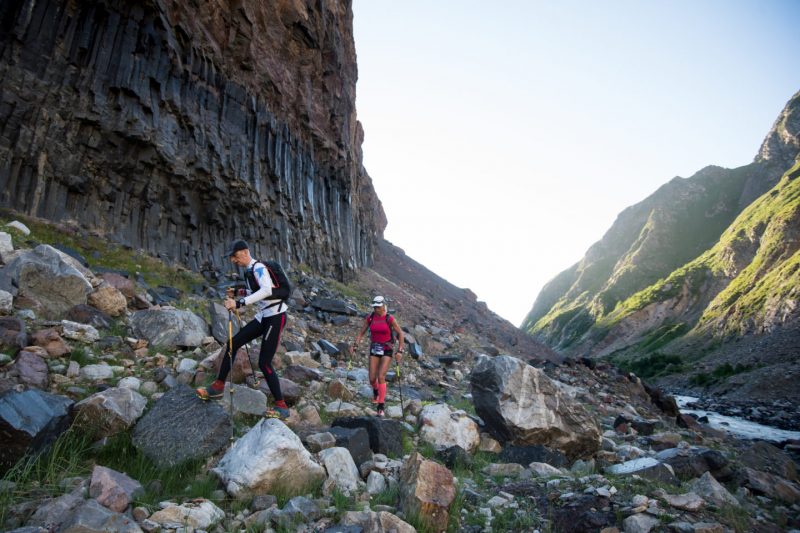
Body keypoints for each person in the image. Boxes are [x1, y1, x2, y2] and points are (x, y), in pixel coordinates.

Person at [196, 240, 290, 419]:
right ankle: (217, 387)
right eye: (232, 257)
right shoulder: (249, 271)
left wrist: (239, 303)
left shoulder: (258, 268)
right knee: (233, 344)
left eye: (235, 256)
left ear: (246, 252)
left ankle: (282, 407)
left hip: (276, 316)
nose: (233, 260)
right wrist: (238, 293)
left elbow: (266, 290)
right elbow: (255, 291)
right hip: (264, 316)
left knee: (264, 363)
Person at [352, 295, 405, 417]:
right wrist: (355, 345)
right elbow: (361, 333)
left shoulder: (389, 318)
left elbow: (401, 334)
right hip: (375, 348)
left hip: (387, 348)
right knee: (372, 378)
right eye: (374, 307)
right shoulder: (370, 318)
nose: (376, 309)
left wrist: (400, 351)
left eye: (378, 307)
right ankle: (376, 391)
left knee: (381, 376)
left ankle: (381, 406)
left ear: (383, 306)